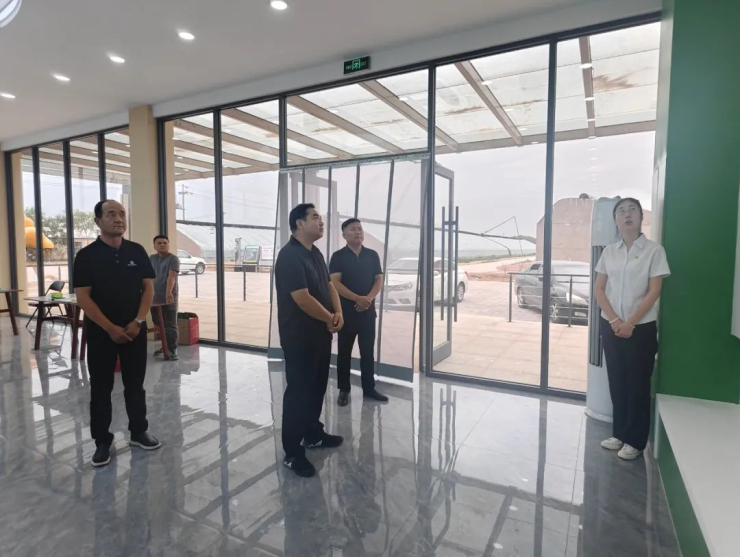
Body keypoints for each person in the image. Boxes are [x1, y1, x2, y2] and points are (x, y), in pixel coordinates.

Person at [74, 200, 161, 468]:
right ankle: (102, 440)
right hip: (101, 333)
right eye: (111, 214)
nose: (119, 218)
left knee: (135, 385)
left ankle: (138, 432)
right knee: (101, 387)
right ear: (98, 221)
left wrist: (138, 321)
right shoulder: (86, 256)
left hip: (134, 330)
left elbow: (148, 289)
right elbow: (83, 297)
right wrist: (110, 328)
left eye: (122, 213)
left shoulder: (137, 251)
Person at [594, 197, 670, 461]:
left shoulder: (654, 251)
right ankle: (619, 433)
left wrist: (630, 322)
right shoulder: (609, 252)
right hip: (611, 326)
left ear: (640, 217)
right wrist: (615, 320)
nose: (627, 214)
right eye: (621, 211)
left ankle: (635, 441)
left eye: (632, 210)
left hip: (641, 328)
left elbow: (654, 290)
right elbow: (599, 289)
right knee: (617, 380)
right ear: (615, 219)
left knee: (638, 383)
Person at [275, 203, 345, 477]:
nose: (321, 221)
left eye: (321, 218)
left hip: (320, 333)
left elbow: (328, 285)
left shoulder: (315, 253)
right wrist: (330, 317)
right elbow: (302, 298)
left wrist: (338, 313)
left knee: (316, 387)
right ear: (299, 224)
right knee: (299, 392)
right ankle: (293, 453)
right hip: (299, 336)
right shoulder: (289, 256)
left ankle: (313, 434)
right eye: (315, 217)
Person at [329, 218, 388, 406]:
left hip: (367, 313)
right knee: (344, 352)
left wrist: (367, 299)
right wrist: (357, 298)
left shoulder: (372, 255)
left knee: (367, 353)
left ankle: (369, 389)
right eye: (353, 229)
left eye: (360, 229)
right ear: (344, 234)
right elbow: (335, 283)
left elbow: (378, 280)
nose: (358, 232)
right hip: (346, 313)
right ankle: (344, 390)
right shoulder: (338, 256)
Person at [150, 235, 180, 361]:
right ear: (154, 246)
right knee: (158, 322)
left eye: (164, 243)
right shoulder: (151, 258)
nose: (162, 245)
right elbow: (148, 276)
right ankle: (165, 346)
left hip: (169, 298)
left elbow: (171, 276)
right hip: (154, 297)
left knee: (170, 324)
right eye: (159, 243)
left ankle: (172, 350)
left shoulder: (173, 259)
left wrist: (168, 293)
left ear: (168, 245)